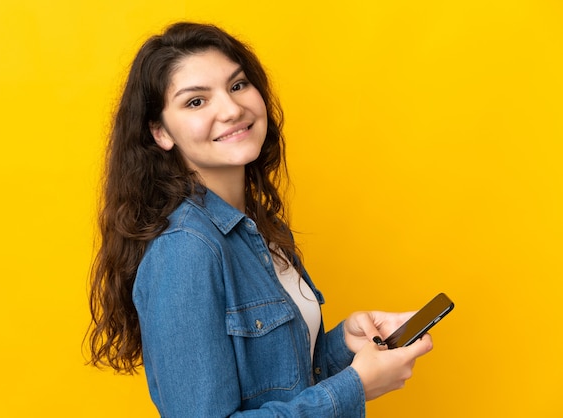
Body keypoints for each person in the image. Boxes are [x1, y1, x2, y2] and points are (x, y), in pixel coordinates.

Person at [87, 21, 433, 417]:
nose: (232, 109)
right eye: (196, 102)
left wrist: (344, 346)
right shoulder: (185, 249)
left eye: (237, 86)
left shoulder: (255, 227)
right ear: (161, 132)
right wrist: (355, 386)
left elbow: (280, 383)